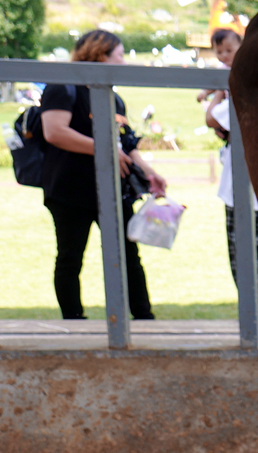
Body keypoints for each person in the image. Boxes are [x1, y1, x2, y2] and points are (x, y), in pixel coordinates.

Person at [38, 29, 168, 321]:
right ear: (100, 55)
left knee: (129, 256)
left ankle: (143, 319)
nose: (123, 63)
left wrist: (150, 173)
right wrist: (105, 149)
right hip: (70, 190)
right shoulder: (63, 87)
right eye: (119, 56)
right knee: (71, 257)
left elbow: (126, 144)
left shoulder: (114, 98)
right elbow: (54, 132)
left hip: (112, 189)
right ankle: (74, 321)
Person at [199, 27, 258, 319]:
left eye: (229, 51)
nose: (224, 57)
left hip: (242, 190)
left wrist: (217, 92)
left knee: (243, 257)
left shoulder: (238, 94)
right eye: (220, 53)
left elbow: (210, 118)